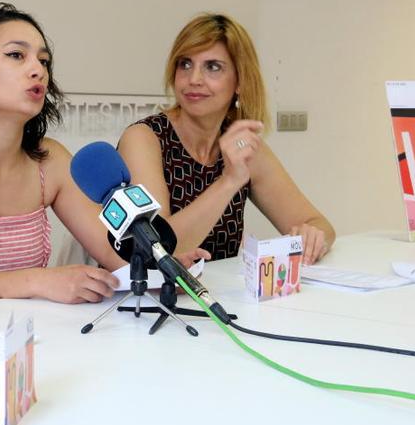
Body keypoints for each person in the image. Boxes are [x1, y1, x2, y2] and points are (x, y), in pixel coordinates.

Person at [0, 3, 205, 308]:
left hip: (32, 337)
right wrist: (38, 280)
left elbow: (113, 254)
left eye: (43, 60)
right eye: (16, 55)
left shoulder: (51, 160)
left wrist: (160, 267)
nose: (38, 70)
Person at [117, 13, 335, 263]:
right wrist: (229, 181)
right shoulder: (144, 139)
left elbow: (319, 224)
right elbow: (157, 246)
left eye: (212, 67)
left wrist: (313, 237)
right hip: (145, 297)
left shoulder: (241, 144)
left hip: (217, 296)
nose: (194, 79)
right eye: (185, 64)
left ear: (240, 81)